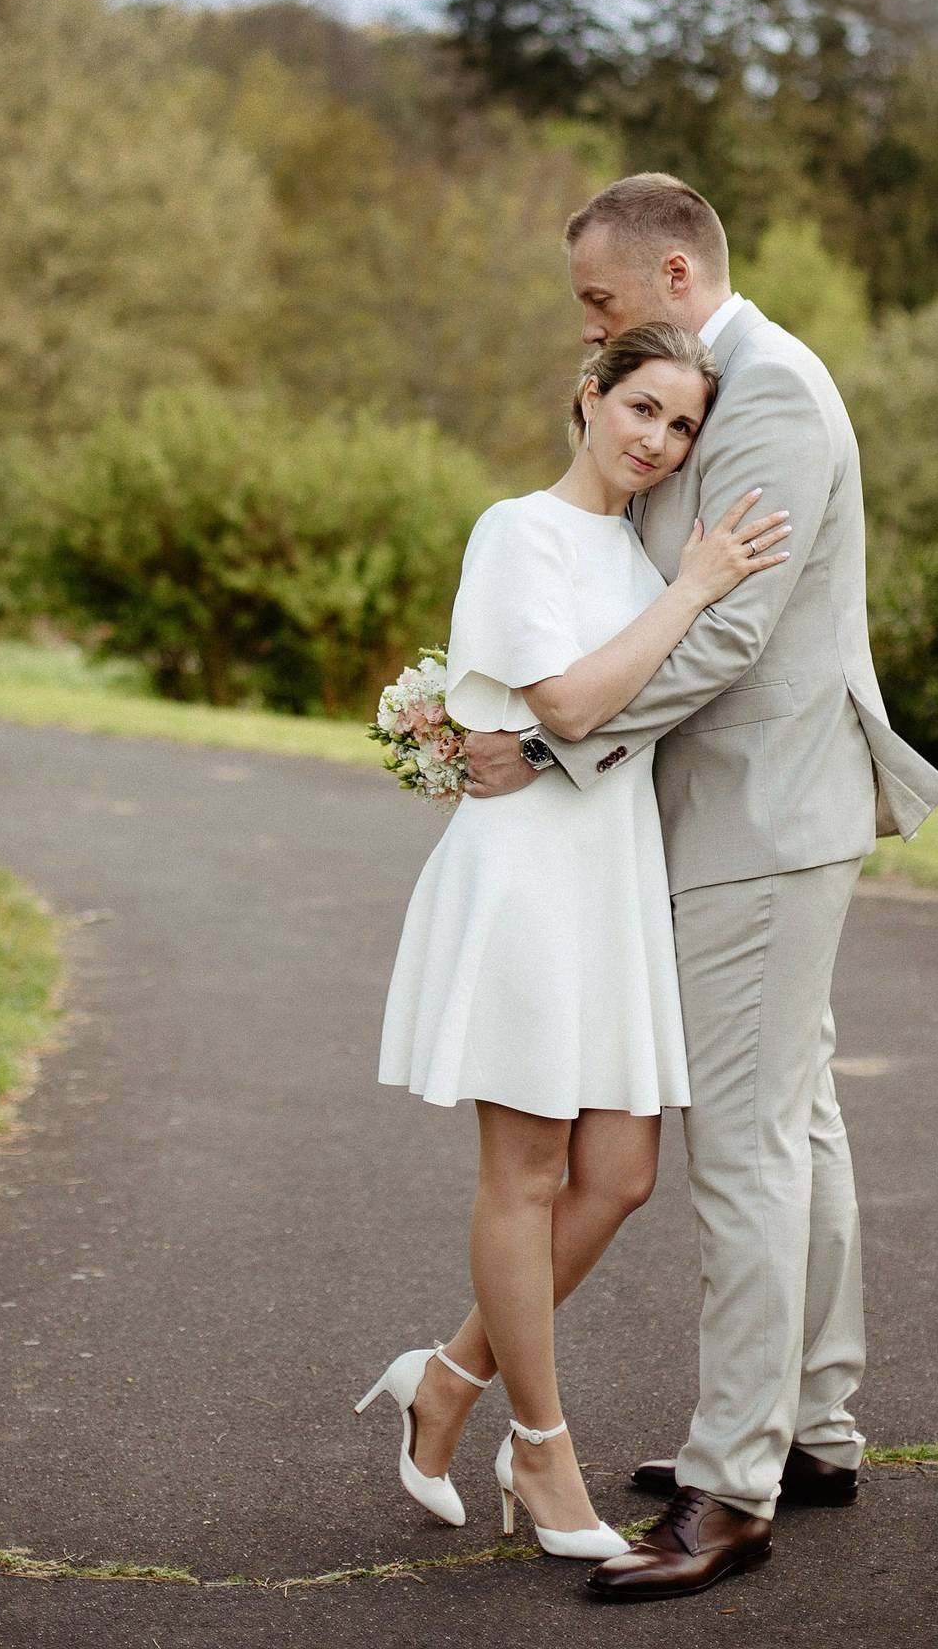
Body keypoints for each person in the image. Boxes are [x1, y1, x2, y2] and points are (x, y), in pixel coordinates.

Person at [462, 173, 938, 1603]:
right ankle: (812, 1427)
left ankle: (732, 1487)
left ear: (673, 272)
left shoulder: (775, 392)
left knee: (744, 1145)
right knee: (796, 1118)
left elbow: (729, 635)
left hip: (762, 812)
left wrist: (551, 743)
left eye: (599, 298)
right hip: (754, 813)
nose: (589, 326)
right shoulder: (715, 384)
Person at [357, 320, 792, 1561]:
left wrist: (682, 583)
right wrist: (696, 589)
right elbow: (569, 702)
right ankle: (541, 1450)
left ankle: (448, 1377)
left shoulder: (641, 548)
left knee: (621, 1174)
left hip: (610, 878)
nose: (659, 439)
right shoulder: (518, 531)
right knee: (530, 1172)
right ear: (590, 396)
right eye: (642, 407)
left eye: (682, 425)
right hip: (529, 879)